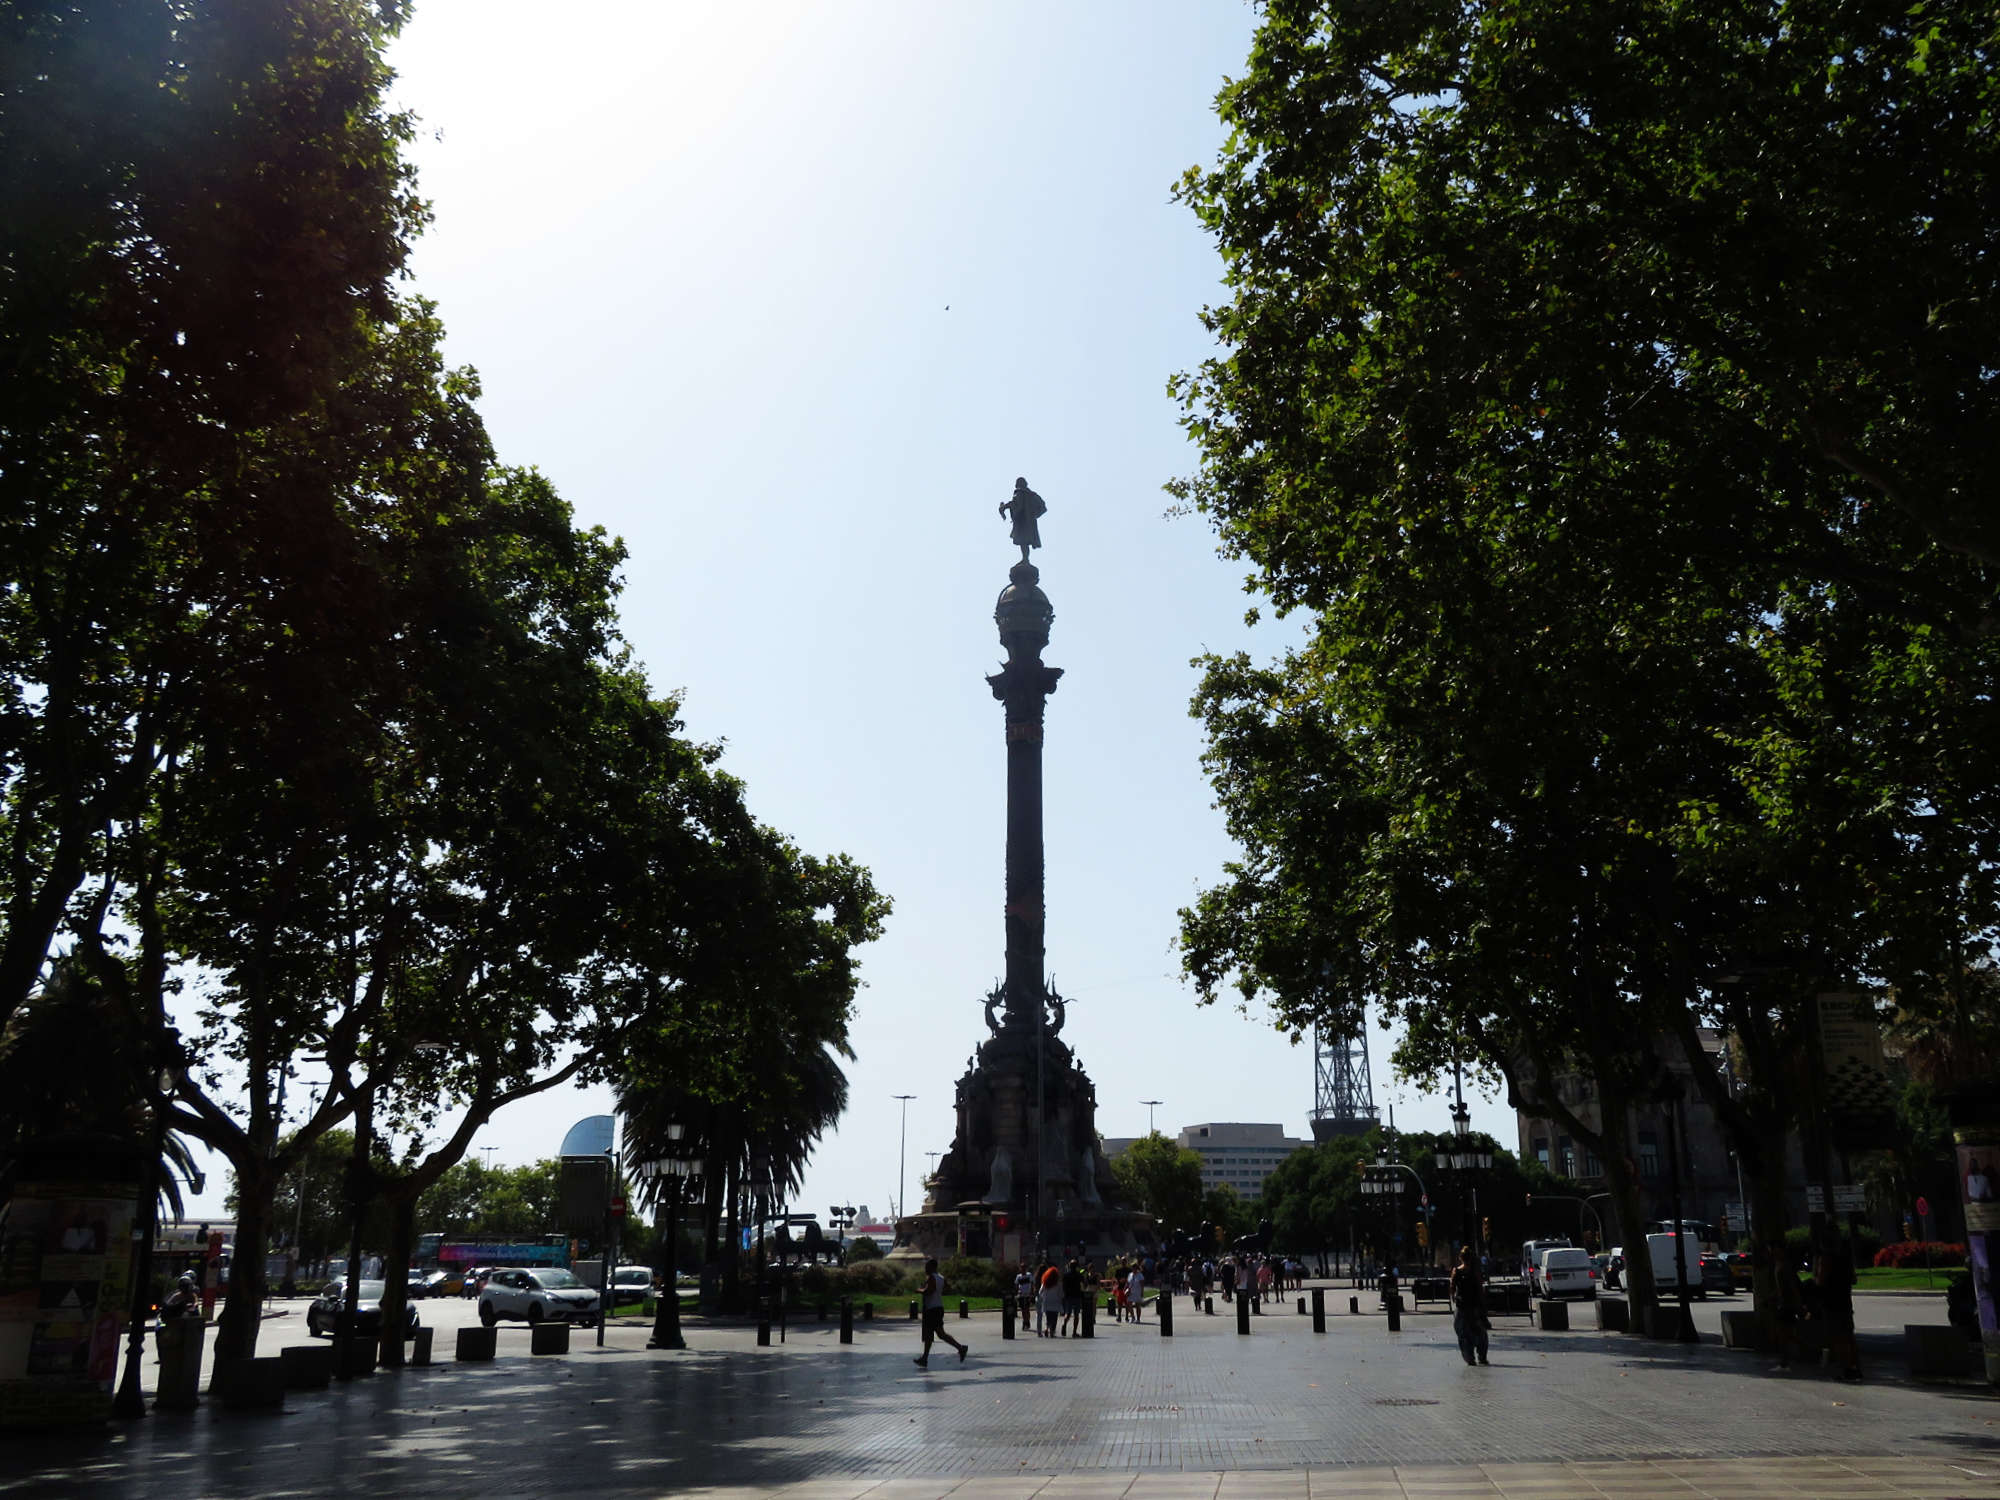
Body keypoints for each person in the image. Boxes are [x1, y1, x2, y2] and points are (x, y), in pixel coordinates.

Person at [1813, 1246, 1861, 1382]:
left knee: (1837, 1337)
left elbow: (1820, 1281)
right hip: (1845, 1301)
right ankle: (1855, 1367)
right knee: (1849, 1336)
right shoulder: (1845, 1258)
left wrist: (1815, 1274)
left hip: (1832, 1302)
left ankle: (1847, 1369)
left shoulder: (1825, 1258)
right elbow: (1854, 1279)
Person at [914, 1258, 967, 1367]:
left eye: (927, 1266)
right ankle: (925, 1358)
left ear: (932, 1267)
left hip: (932, 1309)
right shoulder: (941, 1277)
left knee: (938, 1334)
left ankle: (961, 1348)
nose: (925, 1268)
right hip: (937, 1307)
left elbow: (929, 1291)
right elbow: (947, 1288)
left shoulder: (932, 1277)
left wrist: (919, 1290)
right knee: (933, 1334)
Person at [1450, 1243, 1489, 1366]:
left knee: (1463, 1333)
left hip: (1462, 1307)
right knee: (1480, 1333)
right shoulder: (1474, 1271)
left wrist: (1454, 1299)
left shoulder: (1456, 1271)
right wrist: (1483, 1306)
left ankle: (1469, 1357)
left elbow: (1452, 1288)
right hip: (1474, 1306)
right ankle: (1482, 1356)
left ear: (1460, 1258)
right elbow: (1479, 1288)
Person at [1038, 1262, 1063, 1337]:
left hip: (1046, 1302)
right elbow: (1061, 1293)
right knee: (1054, 1318)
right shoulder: (1058, 1283)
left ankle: (1047, 1328)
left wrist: (1044, 1297)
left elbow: (1040, 1292)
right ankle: (1052, 1331)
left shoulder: (1045, 1282)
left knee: (1048, 1318)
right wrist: (1060, 1298)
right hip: (1055, 1302)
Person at [1061, 1260, 1085, 1337]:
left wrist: (1064, 1295)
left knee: (1067, 1313)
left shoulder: (1066, 1275)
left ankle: (1064, 1324)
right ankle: (1074, 1332)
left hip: (1068, 1296)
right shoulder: (1079, 1275)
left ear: (1069, 1266)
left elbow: (1063, 1286)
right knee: (1076, 1315)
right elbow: (1084, 1283)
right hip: (1077, 1296)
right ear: (1076, 1266)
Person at [1014, 1265, 1036, 1333]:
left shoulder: (1029, 1275)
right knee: (1023, 1310)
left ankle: (1027, 1322)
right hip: (1021, 1295)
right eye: (1022, 1268)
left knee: (1027, 1309)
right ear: (1020, 1269)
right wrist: (1017, 1292)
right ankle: (1024, 1321)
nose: (1023, 1270)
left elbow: (1032, 1283)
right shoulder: (1018, 1276)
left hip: (1027, 1295)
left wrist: (1032, 1292)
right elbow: (1016, 1285)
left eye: (1024, 1268)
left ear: (1026, 1269)